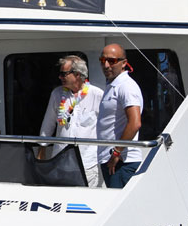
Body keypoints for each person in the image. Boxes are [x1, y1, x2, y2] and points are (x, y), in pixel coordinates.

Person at [38, 55, 102, 187]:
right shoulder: (57, 94)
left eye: (63, 74)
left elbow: (107, 127)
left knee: (86, 198)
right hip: (60, 161)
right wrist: (41, 149)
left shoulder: (97, 95)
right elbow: (48, 123)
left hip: (87, 163)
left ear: (77, 74)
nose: (60, 77)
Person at [97, 44, 144, 188]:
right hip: (111, 159)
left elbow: (135, 123)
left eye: (111, 61)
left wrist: (117, 152)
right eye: (102, 60)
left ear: (124, 63)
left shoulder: (126, 86)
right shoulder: (113, 85)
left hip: (122, 162)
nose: (106, 65)